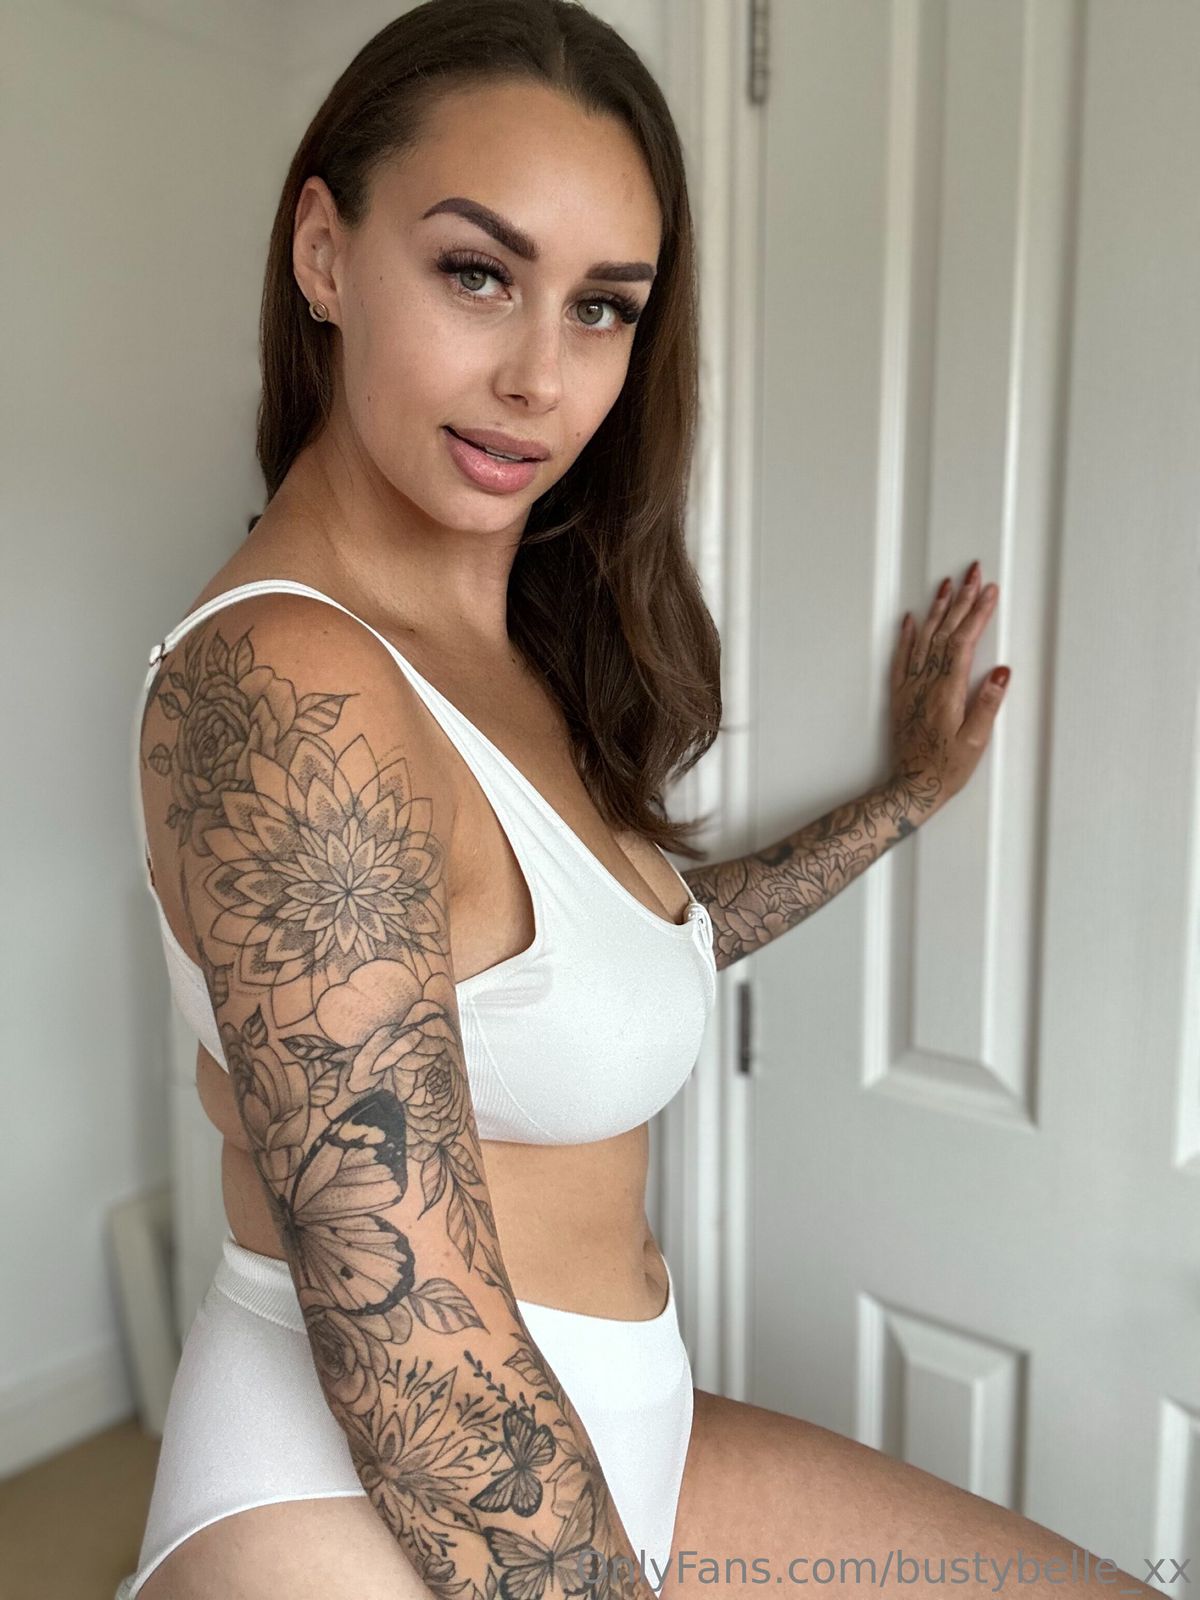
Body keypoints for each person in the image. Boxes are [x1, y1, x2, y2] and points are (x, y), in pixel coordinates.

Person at [123, 3, 1149, 1598]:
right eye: (477, 273)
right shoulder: (291, 691)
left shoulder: (503, 652)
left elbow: (621, 955)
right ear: (324, 252)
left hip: (608, 1440)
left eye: (602, 307)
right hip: (381, 1509)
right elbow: (418, 1374)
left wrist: (902, 802)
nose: (540, 376)